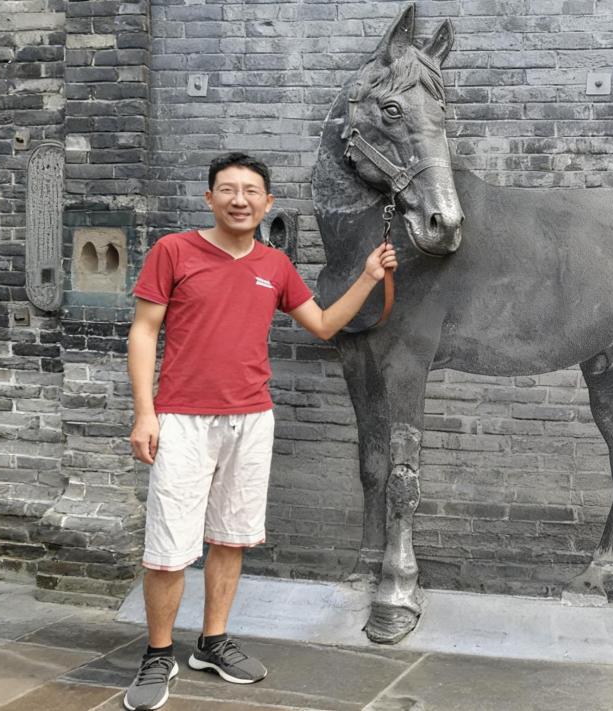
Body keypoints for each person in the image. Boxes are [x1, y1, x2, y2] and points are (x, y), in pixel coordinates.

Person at [123, 152, 396, 711]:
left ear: (267, 203)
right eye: (228, 189)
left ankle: (212, 642)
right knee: (168, 549)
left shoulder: (275, 265)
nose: (239, 200)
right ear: (210, 198)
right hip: (182, 419)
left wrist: (370, 277)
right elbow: (144, 332)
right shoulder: (173, 251)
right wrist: (145, 413)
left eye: (251, 191)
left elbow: (324, 324)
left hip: (250, 419)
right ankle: (158, 654)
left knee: (231, 536)